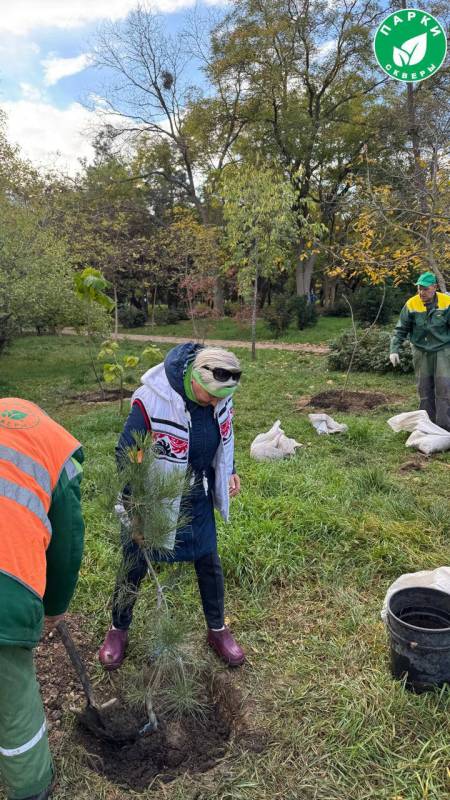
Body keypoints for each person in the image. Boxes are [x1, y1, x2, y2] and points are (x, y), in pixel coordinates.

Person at [99, 344, 245, 670]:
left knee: (208, 559)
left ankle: (217, 630)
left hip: (197, 491)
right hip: (155, 496)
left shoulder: (220, 392)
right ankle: (118, 629)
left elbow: (226, 433)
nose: (217, 403)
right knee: (134, 563)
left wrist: (229, 468)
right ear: (195, 378)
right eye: (211, 397)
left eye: (223, 398)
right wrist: (134, 505)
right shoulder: (152, 398)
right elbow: (127, 452)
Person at [0, 398, 85, 800]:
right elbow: (67, 544)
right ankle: (31, 786)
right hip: (6, 588)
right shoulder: (53, 447)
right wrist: (54, 607)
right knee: (14, 698)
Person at [390, 272, 450, 431]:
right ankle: (427, 426)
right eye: (419, 289)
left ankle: (445, 427)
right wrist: (394, 349)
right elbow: (401, 329)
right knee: (424, 389)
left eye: (425, 289)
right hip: (421, 351)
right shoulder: (412, 304)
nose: (421, 292)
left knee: (444, 388)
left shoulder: (447, 302)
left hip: (443, 350)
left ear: (435, 287)